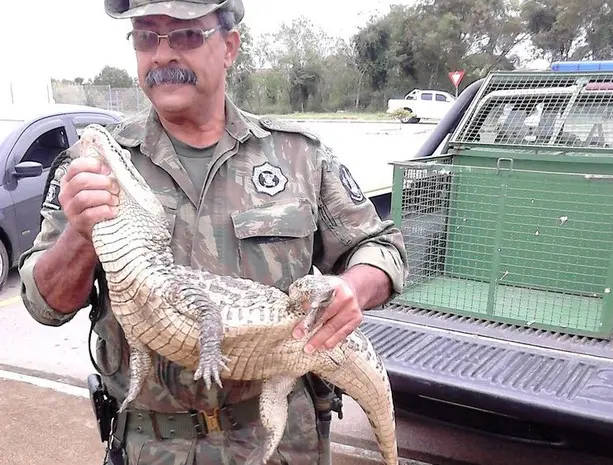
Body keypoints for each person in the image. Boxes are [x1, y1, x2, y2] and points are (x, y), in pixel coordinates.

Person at [18, 0, 408, 464]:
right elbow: (46, 306)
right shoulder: (97, 166)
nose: (162, 55)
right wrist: (80, 234)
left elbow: (381, 248)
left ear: (229, 47)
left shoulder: (302, 156)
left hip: (280, 443)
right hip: (153, 447)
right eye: (146, 36)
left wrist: (350, 289)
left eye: (185, 34)